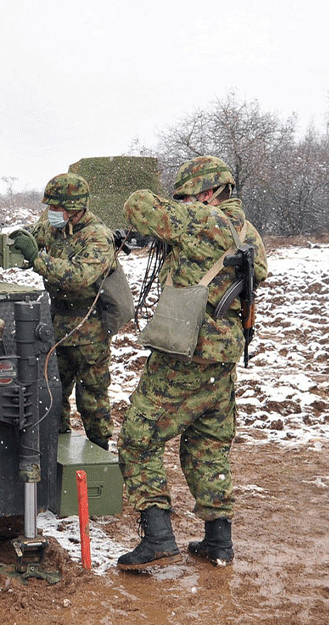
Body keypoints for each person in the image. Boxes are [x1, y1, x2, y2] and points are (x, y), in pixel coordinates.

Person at [116, 155, 267, 570]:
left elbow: (137, 206)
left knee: (137, 438)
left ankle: (159, 537)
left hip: (187, 352)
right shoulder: (247, 230)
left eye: (187, 196)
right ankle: (219, 541)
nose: (184, 203)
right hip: (221, 357)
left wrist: (148, 189)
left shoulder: (205, 220)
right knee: (207, 445)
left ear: (207, 192)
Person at [10, 172, 116, 450]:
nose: (51, 212)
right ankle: (55, 453)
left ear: (75, 207)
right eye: (50, 206)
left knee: (92, 400)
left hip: (89, 331)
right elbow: (30, 238)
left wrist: (37, 259)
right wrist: (11, 243)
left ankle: (100, 456)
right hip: (56, 326)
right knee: (53, 395)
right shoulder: (53, 227)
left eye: (56, 207)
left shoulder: (97, 237)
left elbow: (80, 275)